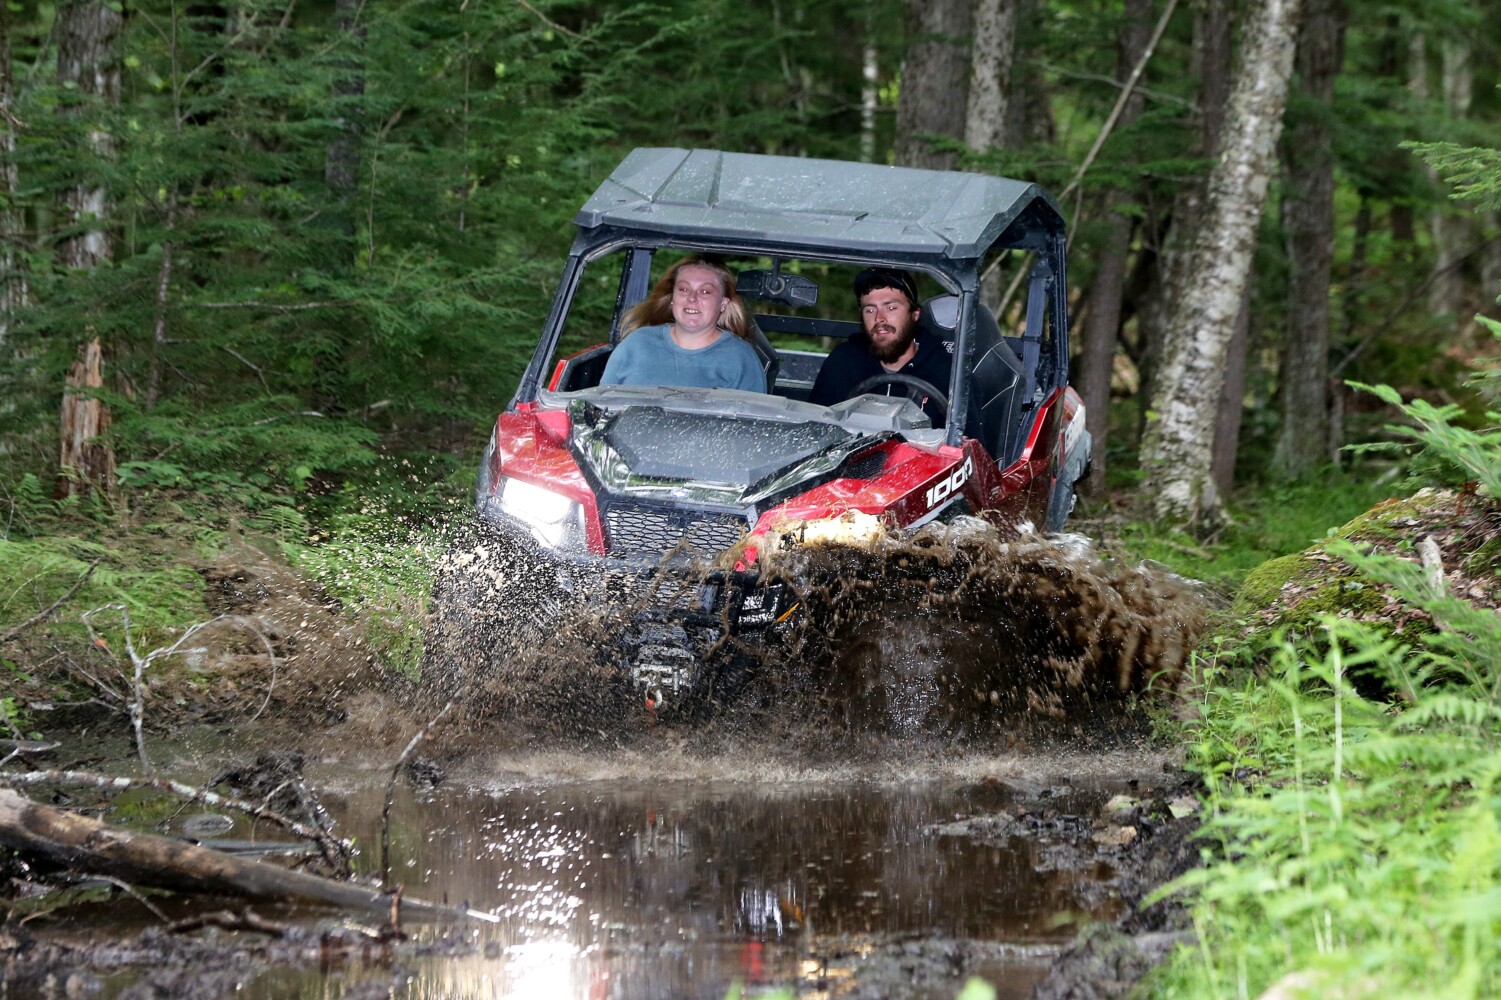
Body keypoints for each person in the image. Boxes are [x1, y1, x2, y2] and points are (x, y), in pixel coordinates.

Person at [808, 267, 952, 427]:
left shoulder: (946, 371)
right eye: (870, 310)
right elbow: (814, 426)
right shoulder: (843, 362)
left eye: (891, 308)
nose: (879, 318)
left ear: (914, 314)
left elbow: (966, 437)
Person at [600, 257, 767, 392]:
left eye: (705, 291)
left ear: (723, 303)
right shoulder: (636, 343)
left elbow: (752, 421)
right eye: (683, 289)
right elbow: (600, 409)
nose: (692, 298)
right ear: (673, 297)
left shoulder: (740, 358)